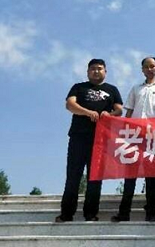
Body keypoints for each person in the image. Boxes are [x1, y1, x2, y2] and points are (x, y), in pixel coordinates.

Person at [56, 59, 123, 223]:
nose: (96, 71)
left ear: (105, 71)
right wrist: (87, 112)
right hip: (78, 137)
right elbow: (70, 105)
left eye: (100, 68)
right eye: (93, 69)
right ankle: (66, 214)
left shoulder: (112, 89)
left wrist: (109, 114)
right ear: (88, 72)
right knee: (73, 175)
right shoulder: (79, 87)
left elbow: (119, 110)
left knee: (95, 177)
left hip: (101, 139)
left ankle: (91, 213)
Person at [111, 57, 155, 223]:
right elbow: (129, 112)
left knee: (151, 177)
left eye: (152, 66)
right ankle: (124, 213)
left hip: (153, 136)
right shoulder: (136, 88)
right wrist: (124, 133)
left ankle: (151, 213)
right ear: (142, 69)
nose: (150, 69)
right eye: (146, 67)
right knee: (130, 176)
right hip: (135, 136)